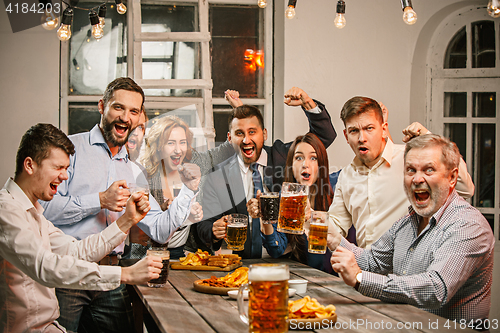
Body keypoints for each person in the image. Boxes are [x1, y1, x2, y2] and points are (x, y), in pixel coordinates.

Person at [40, 77, 202, 332]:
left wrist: (188, 192)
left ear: (138, 118)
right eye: (118, 107)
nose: (126, 117)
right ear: (102, 106)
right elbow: (44, 210)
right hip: (67, 273)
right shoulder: (70, 149)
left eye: (134, 111)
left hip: (111, 276)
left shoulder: (134, 171)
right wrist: (100, 201)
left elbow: (160, 230)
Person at [0, 123, 163, 333]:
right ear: (30, 165)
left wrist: (126, 220)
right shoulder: (6, 210)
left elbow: (76, 251)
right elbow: (45, 267)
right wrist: (125, 275)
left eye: (66, 168)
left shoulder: (34, 213)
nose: (65, 176)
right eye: (58, 168)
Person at [330, 134, 494, 325]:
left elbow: (436, 289)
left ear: (452, 177)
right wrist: (333, 239)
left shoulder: (468, 225)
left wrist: (360, 278)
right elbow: (373, 261)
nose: (417, 179)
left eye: (428, 170)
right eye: (410, 170)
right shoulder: (406, 223)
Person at [198, 87, 337, 259]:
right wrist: (213, 229)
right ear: (229, 138)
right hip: (244, 263)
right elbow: (203, 225)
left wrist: (307, 103)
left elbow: (323, 137)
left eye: (252, 132)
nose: (246, 140)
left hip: (292, 260)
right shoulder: (218, 176)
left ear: (264, 134)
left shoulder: (284, 156)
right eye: (239, 133)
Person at [328, 96, 474, 248]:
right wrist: (308, 218)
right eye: (354, 131)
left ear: (384, 129)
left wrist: (430, 139)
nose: (361, 138)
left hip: (408, 269)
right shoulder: (346, 176)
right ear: (346, 136)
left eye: (369, 128)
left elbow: (466, 189)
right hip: (365, 268)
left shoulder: (409, 159)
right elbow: (335, 227)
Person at [247, 133, 335, 272]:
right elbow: (276, 249)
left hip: (335, 279)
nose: (305, 164)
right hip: (302, 277)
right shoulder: (287, 198)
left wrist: (312, 217)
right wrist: (266, 219)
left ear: (321, 164)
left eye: (313, 158)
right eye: (299, 158)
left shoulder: (336, 189)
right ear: (291, 165)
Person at [138, 115, 203, 259]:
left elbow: (202, 234)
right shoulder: (145, 179)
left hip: (184, 256)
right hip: (150, 255)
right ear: (159, 147)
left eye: (183, 142)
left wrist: (193, 217)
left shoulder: (193, 177)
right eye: (171, 143)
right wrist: (162, 210)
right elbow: (136, 233)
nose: (178, 150)